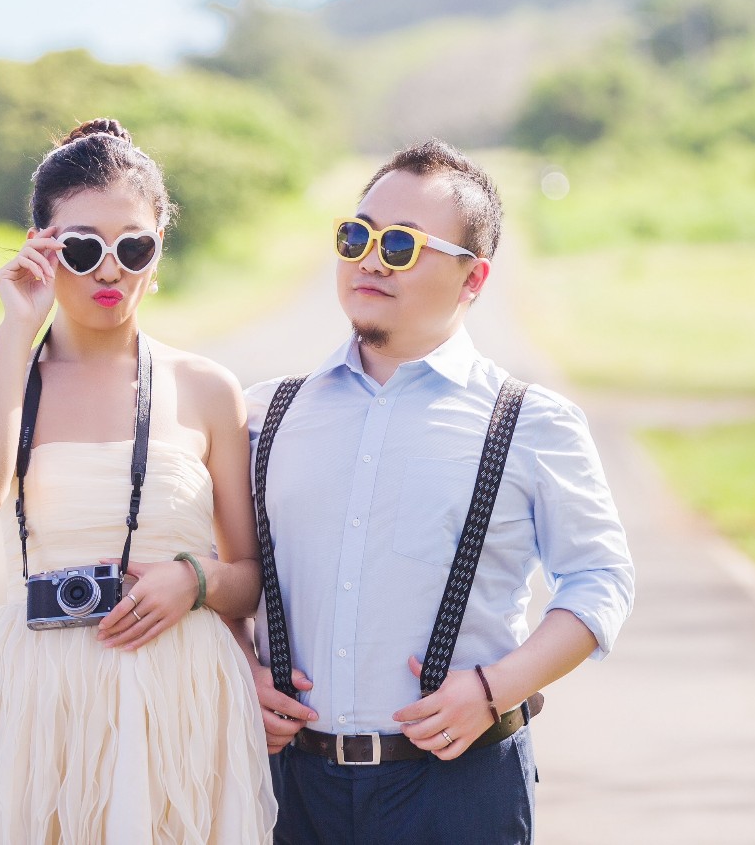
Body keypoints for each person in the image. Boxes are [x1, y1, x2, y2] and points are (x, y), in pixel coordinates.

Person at [245, 139, 635, 845]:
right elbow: (226, 573)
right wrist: (240, 670)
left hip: (459, 790)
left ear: (473, 277)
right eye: (356, 235)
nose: (369, 258)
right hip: (286, 787)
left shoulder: (529, 420)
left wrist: (496, 687)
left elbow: (600, 577)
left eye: (401, 244)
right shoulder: (264, 413)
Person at [0, 119, 275, 845]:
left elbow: (250, 577)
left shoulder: (206, 388)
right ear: (42, 249)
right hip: (41, 694)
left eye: (132, 246)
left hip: (180, 690)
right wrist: (18, 325)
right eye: (81, 248)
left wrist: (193, 581)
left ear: (158, 250)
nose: (110, 271)